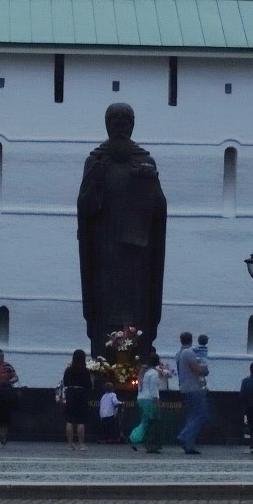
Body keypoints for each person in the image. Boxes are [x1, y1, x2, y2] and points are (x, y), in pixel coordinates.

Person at [77, 103, 167, 358]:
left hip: (137, 257)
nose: (119, 125)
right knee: (105, 307)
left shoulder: (145, 162)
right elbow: (85, 207)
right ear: (107, 125)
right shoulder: (95, 161)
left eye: (124, 121)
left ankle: (136, 350)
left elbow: (159, 211)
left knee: (136, 308)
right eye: (114, 121)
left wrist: (149, 183)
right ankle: (104, 355)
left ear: (132, 125)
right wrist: (96, 179)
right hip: (105, 253)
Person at [175, 331, 208, 454]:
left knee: (192, 415)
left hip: (184, 387)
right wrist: (204, 370)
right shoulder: (188, 353)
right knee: (201, 414)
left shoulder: (178, 354)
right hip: (193, 387)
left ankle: (188, 444)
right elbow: (197, 369)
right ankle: (184, 435)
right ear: (191, 339)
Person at [129, 353, 167, 453]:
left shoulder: (143, 372)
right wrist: (157, 401)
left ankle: (136, 438)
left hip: (141, 398)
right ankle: (149, 444)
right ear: (157, 362)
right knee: (152, 422)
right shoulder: (153, 373)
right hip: (150, 400)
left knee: (145, 421)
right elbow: (153, 389)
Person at [62, 349, 93, 450]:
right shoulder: (85, 370)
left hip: (70, 393)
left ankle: (70, 444)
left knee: (69, 420)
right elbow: (89, 384)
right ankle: (81, 444)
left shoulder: (68, 370)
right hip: (81, 394)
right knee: (80, 420)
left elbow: (65, 382)